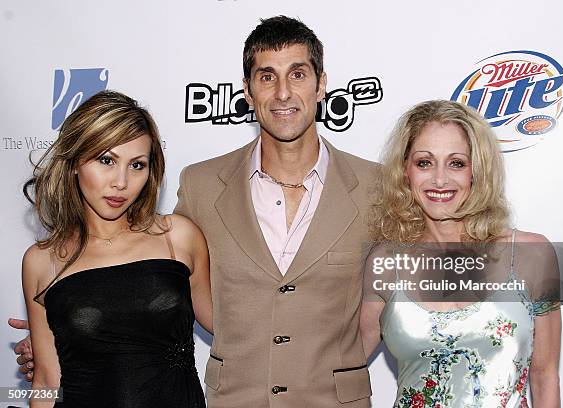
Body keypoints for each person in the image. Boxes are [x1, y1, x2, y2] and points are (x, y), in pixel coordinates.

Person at [12, 16, 376, 407]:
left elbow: (407, 283)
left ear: (322, 84)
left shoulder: (378, 186)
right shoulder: (202, 188)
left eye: (298, 74)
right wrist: (64, 332)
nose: (283, 92)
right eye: (267, 76)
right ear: (248, 92)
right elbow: (50, 381)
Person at [359, 100, 561, 407]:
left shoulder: (531, 255)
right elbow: (344, 363)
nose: (440, 180)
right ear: (405, 172)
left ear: (476, 172)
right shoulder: (386, 263)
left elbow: (545, 377)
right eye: (424, 162)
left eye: (456, 163)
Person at [19, 90, 212, 407]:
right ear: (74, 162)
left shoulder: (177, 236)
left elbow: (229, 325)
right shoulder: (42, 261)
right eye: (106, 160)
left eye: (137, 165)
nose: (121, 182)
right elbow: (46, 381)